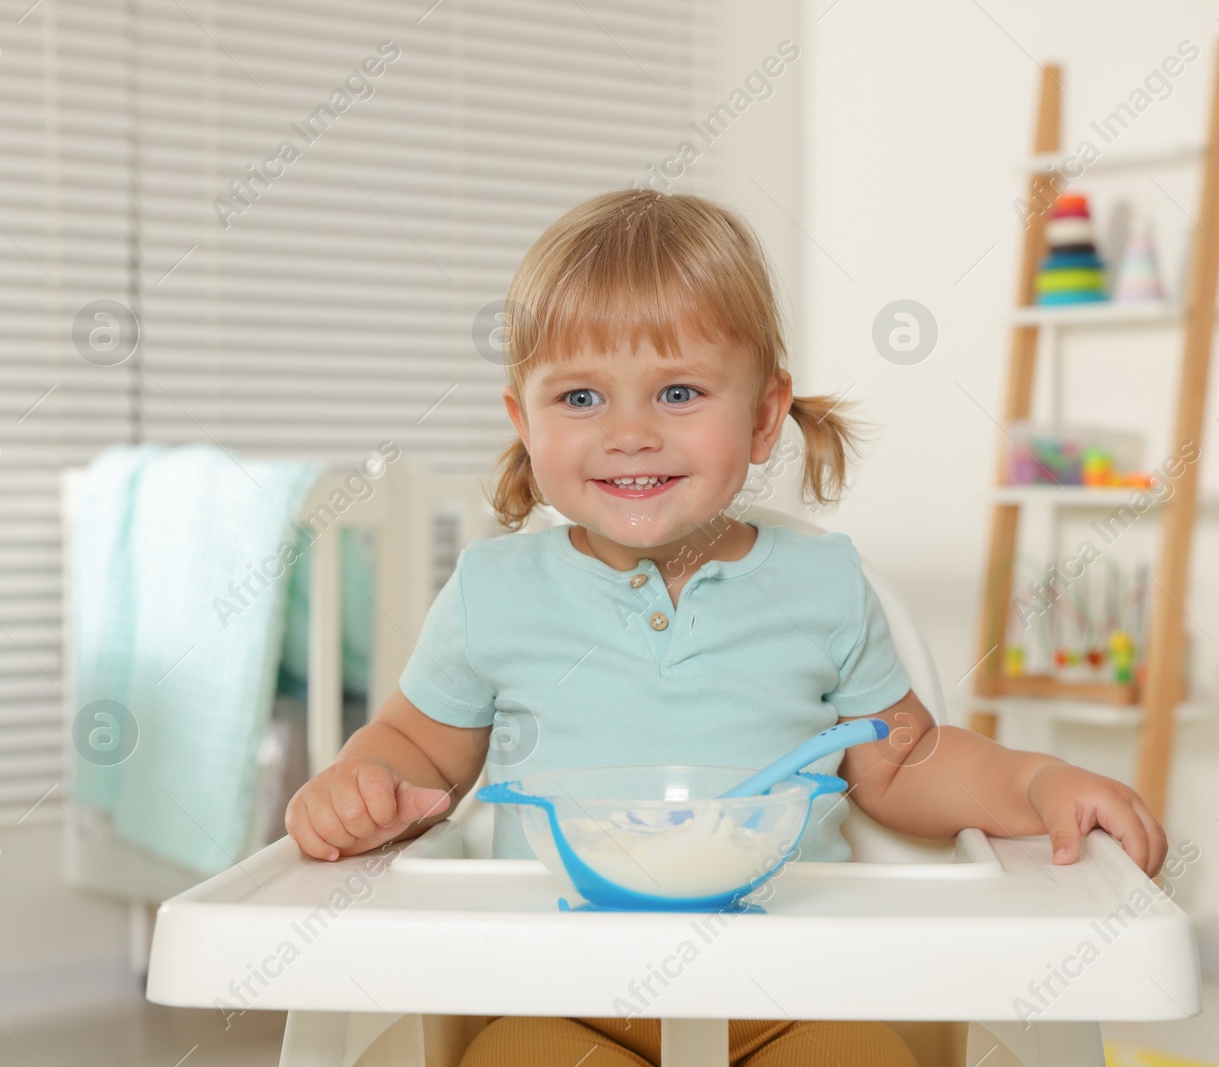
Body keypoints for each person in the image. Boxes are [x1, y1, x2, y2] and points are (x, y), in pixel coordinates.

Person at [285, 188, 1168, 1066]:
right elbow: (419, 747)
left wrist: (1037, 782)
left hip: (797, 987)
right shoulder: (492, 590)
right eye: (581, 397)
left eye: (677, 392)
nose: (630, 434)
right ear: (523, 419)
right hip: (557, 992)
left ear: (761, 416)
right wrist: (365, 781)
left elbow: (903, 756)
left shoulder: (823, 585)